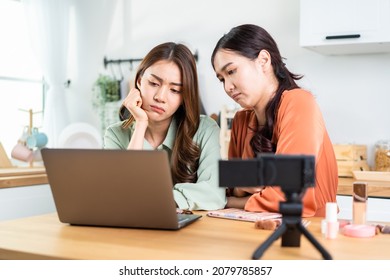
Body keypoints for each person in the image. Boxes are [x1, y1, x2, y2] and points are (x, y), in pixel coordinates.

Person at [211, 24, 338, 217]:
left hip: (309, 231)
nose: (228, 87)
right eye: (221, 79)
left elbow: (290, 194)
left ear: (263, 60)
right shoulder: (240, 121)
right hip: (249, 230)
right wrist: (238, 189)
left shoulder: (299, 103)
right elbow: (231, 186)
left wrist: (232, 200)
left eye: (231, 72)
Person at [104, 42, 226, 211]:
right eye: (154, 83)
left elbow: (215, 194)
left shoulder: (205, 129)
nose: (160, 97)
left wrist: (156, 198)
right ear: (139, 82)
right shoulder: (116, 134)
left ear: (185, 96)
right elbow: (120, 193)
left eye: (175, 90)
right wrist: (140, 124)